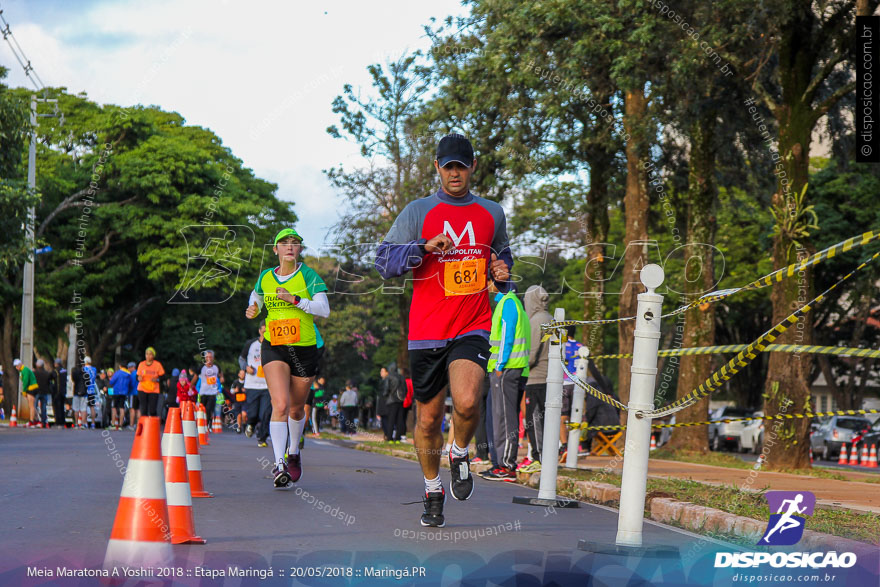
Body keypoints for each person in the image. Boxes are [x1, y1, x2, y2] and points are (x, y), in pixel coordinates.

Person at [374, 133, 514, 527]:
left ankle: (460, 450)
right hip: (427, 328)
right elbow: (383, 260)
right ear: (437, 167)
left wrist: (502, 272)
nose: (455, 173)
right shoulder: (419, 211)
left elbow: (501, 254)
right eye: (448, 166)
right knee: (427, 420)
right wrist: (423, 246)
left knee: (469, 401)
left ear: (473, 167)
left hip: (472, 323)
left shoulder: (492, 212)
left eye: (462, 165)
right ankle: (432, 487)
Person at [244, 227, 331, 488]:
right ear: (275, 249)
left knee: (295, 408)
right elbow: (256, 295)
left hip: (305, 347)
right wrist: (254, 307)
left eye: (295, 243)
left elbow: (324, 309)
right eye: (284, 243)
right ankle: (279, 463)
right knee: (279, 404)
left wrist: (295, 300)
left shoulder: (308, 276)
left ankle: (293, 450)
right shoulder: (266, 277)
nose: (290, 247)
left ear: (300, 249)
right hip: (275, 345)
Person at [480, 283, 530, 482]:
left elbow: (507, 335)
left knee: (505, 418)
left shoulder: (509, 302)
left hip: (507, 368)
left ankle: (507, 465)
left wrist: (500, 365)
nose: (487, 284)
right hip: (512, 367)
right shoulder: (513, 303)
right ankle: (500, 463)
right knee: (499, 417)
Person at [519, 285, 552, 473]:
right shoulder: (550, 319)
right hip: (550, 378)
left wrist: (518, 369)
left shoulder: (535, 322)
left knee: (534, 421)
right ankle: (545, 457)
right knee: (547, 421)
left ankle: (539, 458)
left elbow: (531, 355)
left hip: (536, 378)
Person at [240, 322, 271, 447]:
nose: (265, 334)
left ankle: (262, 438)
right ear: (259, 331)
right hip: (252, 384)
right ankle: (251, 424)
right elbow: (241, 358)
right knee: (253, 414)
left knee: (265, 414)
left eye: (267, 331)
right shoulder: (251, 344)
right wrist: (245, 367)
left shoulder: (273, 345)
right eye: (263, 331)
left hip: (268, 386)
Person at [561, 326, 582, 451]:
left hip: (564, 383)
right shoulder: (581, 347)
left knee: (563, 416)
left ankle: (564, 445)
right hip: (577, 384)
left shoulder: (562, 346)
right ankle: (575, 444)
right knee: (576, 414)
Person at [192, 350, 221, 428]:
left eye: (210, 357)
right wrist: (190, 386)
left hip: (212, 393)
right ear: (205, 358)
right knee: (202, 409)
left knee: (208, 409)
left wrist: (221, 380)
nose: (209, 358)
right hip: (203, 392)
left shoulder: (216, 367)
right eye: (207, 357)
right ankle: (201, 424)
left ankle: (207, 424)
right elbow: (195, 377)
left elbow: (221, 376)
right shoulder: (201, 367)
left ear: (213, 358)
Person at [136, 347, 165, 418]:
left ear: (153, 355)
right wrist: (138, 378)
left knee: (152, 410)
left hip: (154, 389)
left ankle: (153, 426)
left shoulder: (157, 365)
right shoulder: (141, 364)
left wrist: (157, 379)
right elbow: (137, 376)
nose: (148, 356)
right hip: (142, 389)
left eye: (150, 354)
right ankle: (144, 427)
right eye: (147, 354)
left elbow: (163, 377)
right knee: (143, 409)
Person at [13, 358, 39, 427]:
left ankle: (31, 421)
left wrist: (24, 391)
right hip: (30, 388)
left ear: (20, 364)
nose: (16, 367)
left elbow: (26, 381)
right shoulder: (22, 371)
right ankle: (36, 420)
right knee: (32, 405)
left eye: (17, 366)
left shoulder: (25, 370)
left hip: (31, 388)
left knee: (31, 406)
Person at [108, 362, 132, 430]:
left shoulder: (118, 373)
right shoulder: (128, 374)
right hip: (124, 392)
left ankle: (113, 424)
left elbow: (111, 382)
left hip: (116, 392)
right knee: (122, 408)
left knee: (114, 408)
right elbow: (130, 384)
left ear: (120, 366)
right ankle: (120, 425)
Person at [82, 357, 99, 429]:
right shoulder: (94, 369)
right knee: (92, 407)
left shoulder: (83, 369)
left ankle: (85, 423)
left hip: (85, 390)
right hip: (92, 389)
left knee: (84, 407)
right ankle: (93, 423)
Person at [52, 358, 68, 428]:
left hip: (57, 392)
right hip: (63, 391)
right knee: (62, 407)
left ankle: (58, 422)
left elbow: (50, 378)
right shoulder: (64, 371)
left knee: (57, 408)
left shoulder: (55, 371)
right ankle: (63, 422)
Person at [126, 362, 139, 430]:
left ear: (132, 367)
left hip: (133, 393)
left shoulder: (132, 375)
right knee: (138, 410)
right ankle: (138, 425)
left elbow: (131, 384)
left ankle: (131, 425)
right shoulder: (138, 373)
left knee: (132, 409)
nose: (128, 369)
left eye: (129, 367)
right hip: (139, 393)